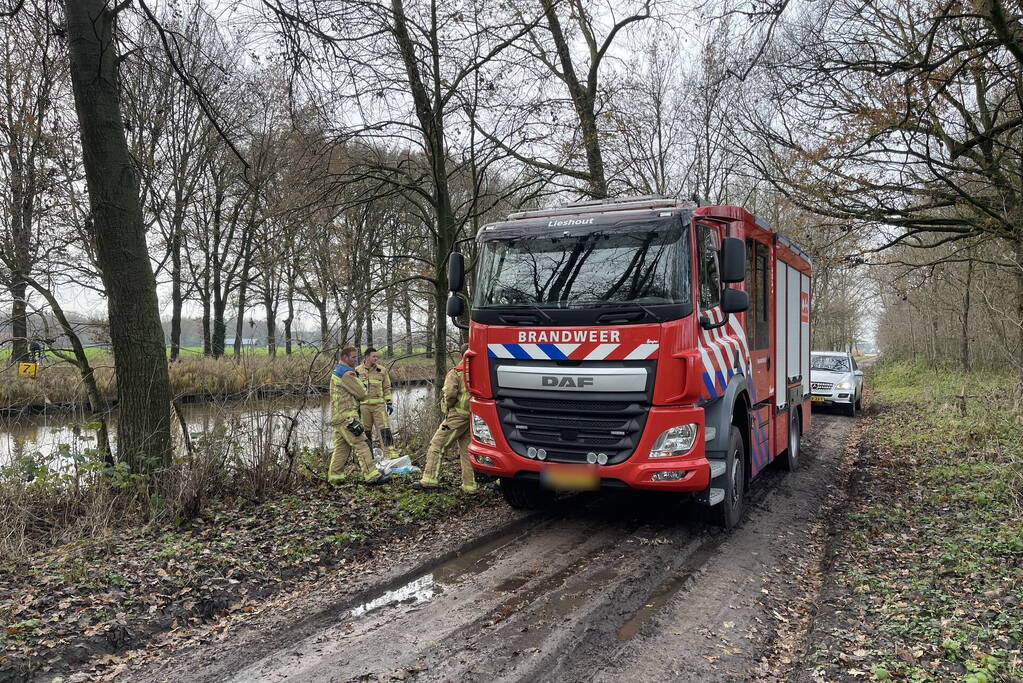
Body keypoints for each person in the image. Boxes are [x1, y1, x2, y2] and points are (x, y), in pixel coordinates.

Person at [417, 345, 478, 493]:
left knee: (437, 445)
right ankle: (470, 486)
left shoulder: (456, 372)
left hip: (457, 416)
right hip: (473, 417)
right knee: (466, 451)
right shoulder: (480, 371)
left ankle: (429, 480)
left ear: (460, 355)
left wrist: (447, 408)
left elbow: (450, 395)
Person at [329, 345, 388, 486]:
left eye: (356, 357)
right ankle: (371, 475)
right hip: (348, 416)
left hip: (338, 416)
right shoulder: (346, 373)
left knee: (342, 448)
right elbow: (362, 393)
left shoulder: (336, 371)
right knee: (361, 443)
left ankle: (335, 477)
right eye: (353, 357)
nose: (356, 360)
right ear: (344, 357)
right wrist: (362, 385)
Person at [355, 347, 397, 459]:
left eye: (376, 356)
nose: (376, 358)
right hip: (364, 407)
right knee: (365, 432)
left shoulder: (382, 370)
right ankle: (368, 457)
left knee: (385, 429)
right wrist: (355, 407)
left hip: (379, 406)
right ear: (367, 357)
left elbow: (387, 387)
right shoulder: (357, 371)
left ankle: (390, 454)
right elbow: (353, 390)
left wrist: (389, 402)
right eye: (373, 356)